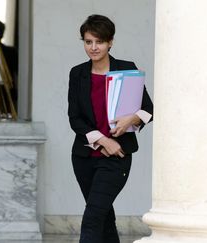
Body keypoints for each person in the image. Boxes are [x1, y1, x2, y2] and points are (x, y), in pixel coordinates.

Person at [67, 15, 153, 243]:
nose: (93, 48)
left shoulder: (126, 69)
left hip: (117, 158)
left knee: (93, 217)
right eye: (88, 42)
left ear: (110, 42)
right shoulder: (77, 73)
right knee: (103, 216)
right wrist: (104, 141)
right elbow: (74, 118)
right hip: (84, 157)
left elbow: (148, 109)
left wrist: (131, 119)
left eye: (99, 42)